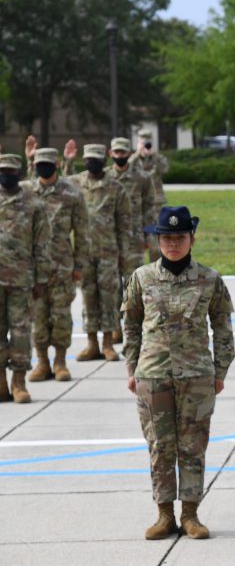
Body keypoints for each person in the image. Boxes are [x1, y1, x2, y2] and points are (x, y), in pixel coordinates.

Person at [122, 205, 235, 540]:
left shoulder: (210, 279)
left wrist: (220, 369)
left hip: (197, 376)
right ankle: (163, 514)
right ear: (158, 240)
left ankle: (190, 514)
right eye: (167, 237)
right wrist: (132, 368)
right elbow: (130, 325)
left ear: (192, 239)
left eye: (180, 237)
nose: (173, 243)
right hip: (153, 375)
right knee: (159, 446)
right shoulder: (142, 278)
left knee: (193, 446)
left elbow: (223, 328)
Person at [22, 148, 89, 383]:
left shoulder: (72, 193)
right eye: (39, 164)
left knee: (61, 317)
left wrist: (79, 265)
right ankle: (42, 363)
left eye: (47, 163)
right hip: (34, 269)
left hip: (62, 266)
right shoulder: (27, 192)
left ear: (57, 164)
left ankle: (60, 362)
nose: (43, 167)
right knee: (38, 318)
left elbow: (82, 233)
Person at [70, 144, 132, 362]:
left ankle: (107, 343)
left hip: (108, 253)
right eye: (88, 159)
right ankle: (91, 344)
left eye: (96, 159)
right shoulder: (76, 183)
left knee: (108, 298)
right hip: (84, 253)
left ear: (104, 160)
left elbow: (124, 224)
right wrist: (67, 161)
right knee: (88, 298)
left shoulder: (116, 188)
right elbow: (54, 188)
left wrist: (124, 254)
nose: (91, 163)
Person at [0, 154, 51, 404]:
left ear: (19, 173)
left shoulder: (34, 204)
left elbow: (42, 244)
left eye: (10, 170)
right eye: (2, 170)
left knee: (20, 331)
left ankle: (18, 381)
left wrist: (41, 278)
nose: (5, 174)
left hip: (22, 280)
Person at [108, 137, 156, 343]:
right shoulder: (104, 178)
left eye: (123, 152)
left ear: (129, 154)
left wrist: (148, 235)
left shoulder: (141, 178)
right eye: (116, 152)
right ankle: (114, 327)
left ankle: (132, 328)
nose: (119, 156)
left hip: (134, 238)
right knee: (110, 286)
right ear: (111, 154)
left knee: (133, 286)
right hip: (108, 240)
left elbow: (149, 208)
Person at [130, 129, 169, 261]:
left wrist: (155, 155)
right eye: (142, 141)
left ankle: (156, 267)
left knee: (155, 241)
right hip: (136, 203)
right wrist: (137, 153)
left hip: (155, 203)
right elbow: (125, 170)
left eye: (147, 142)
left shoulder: (157, 157)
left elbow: (165, 169)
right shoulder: (133, 159)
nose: (145, 145)